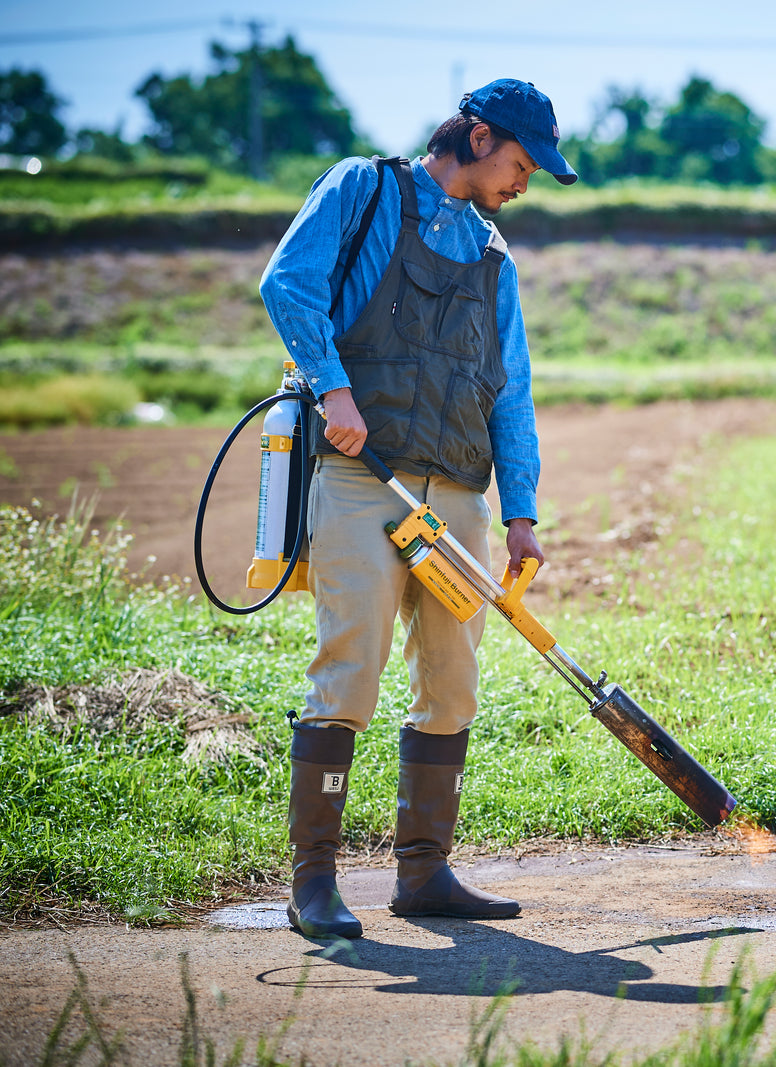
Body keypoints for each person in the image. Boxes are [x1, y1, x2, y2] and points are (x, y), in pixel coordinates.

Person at [259, 79, 578, 941]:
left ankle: (424, 872)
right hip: (363, 479)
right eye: (519, 163)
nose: (524, 182)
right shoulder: (361, 189)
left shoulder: (492, 251)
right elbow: (287, 284)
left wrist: (522, 512)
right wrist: (333, 389)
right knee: (349, 674)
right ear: (478, 137)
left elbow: (509, 388)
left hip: (459, 496)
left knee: (451, 681)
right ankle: (314, 883)